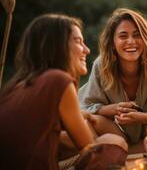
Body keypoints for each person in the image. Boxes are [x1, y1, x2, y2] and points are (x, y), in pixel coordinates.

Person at [0, 14, 128, 170]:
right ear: (56, 45)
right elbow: (90, 149)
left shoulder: (14, 86)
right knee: (114, 143)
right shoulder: (57, 80)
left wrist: (85, 117)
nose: (86, 50)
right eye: (78, 41)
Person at [79, 8, 147, 145]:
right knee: (90, 120)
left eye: (137, 35)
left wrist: (144, 117)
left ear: (145, 39)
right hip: (116, 132)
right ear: (112, 43)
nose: (131, 41)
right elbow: (85, 107)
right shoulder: (101, 66)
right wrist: (112, 109)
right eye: (123, 36)